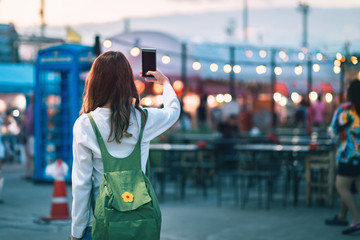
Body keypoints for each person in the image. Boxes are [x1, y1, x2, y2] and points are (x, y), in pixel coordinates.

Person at [71, 51, 180, 240]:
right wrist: (165, 84)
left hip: (100, 224)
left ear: (95, 82)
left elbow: (81, 185)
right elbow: (173, 112)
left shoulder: (85, 124)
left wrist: (76, 231)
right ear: (127, 82)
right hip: (140, 223)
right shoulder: (144, 119)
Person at [328, 80, 360, 235]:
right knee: (356, 187)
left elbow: (333, 132)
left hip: (348, 154)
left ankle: (356, 218)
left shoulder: (345, 109)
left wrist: (338, 140)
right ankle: (342, 216)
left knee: (341, 186)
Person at [23, 94, 34, 179]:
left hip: (33, 134)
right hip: (30, 134)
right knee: (30, 155)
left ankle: (31, 173)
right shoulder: (31, 108)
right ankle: (29, 173)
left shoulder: (34, 108)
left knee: (32, 155)